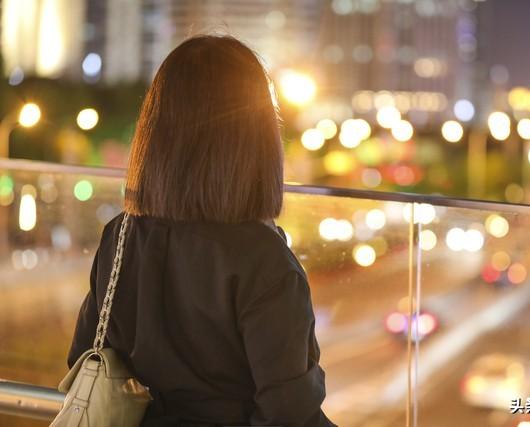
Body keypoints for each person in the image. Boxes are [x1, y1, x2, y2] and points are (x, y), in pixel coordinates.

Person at [67, 34, 336, 427]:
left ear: (157, 133)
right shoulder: (263, 260)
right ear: (256, 140)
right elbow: (290, 413)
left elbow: (84, 356)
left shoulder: (121, 236)